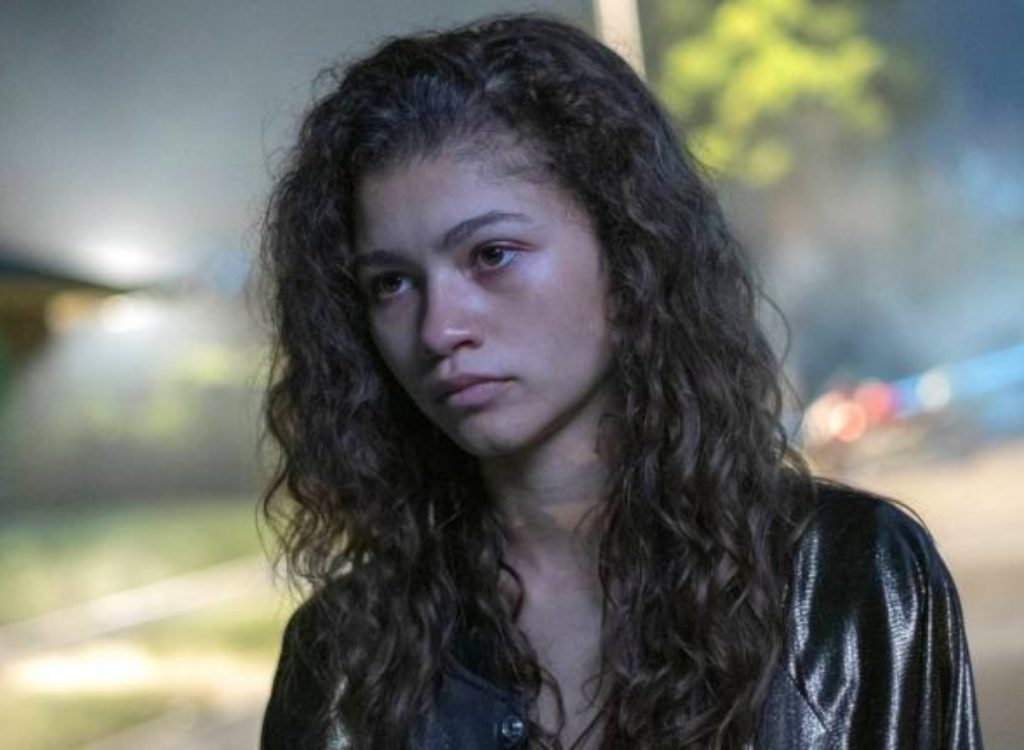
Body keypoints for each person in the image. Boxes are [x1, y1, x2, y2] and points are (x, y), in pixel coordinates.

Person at [257, 13, 982, 750]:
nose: (439, 329)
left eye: (492, 254)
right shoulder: (343, 663)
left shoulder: (845, 581)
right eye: (391, 283)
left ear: (626, 248)